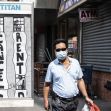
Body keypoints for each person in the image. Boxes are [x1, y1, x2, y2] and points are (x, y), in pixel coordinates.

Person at [43, 39, 93, 111]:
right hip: (58, 102)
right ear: (55, 51)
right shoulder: (52, 65)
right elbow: (47, 84)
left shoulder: (75, 63)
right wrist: (46, 100)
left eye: (63, 49)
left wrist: (86, 97)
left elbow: (80, 80)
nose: (61, 52)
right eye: (58, 50)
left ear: (67, 50)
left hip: (73, 102)